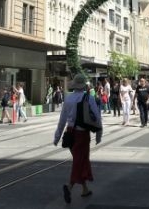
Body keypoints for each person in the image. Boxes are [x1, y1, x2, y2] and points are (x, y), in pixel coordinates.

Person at [53, 73, 102, 203]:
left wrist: (57, 137)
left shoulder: (68, 98)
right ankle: (69, 187)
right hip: (82, 134)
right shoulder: (88, 98)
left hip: (70, 133)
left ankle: (85, 189)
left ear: (74, 85)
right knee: (79, 161)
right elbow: (97, 117)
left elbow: (62, 119)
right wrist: (98, 134)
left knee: (80, 160)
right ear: (84, 85)